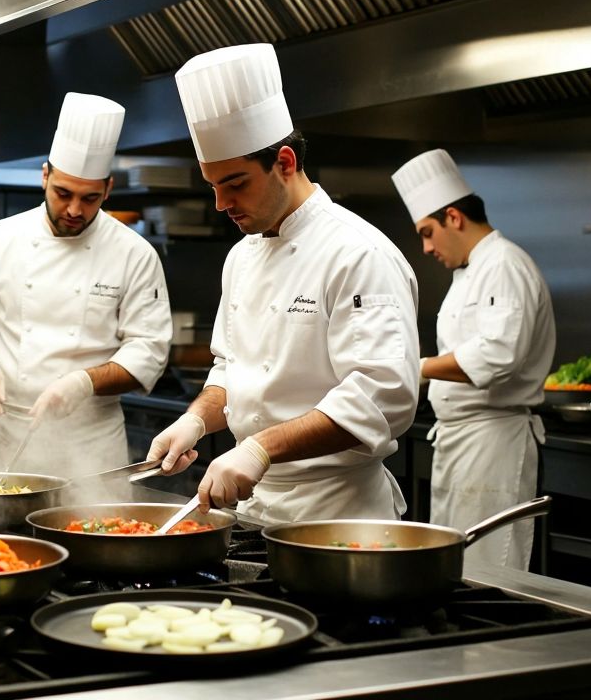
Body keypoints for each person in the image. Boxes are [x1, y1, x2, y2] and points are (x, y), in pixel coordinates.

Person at [148, 43, 421, 523]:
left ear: (286, 162)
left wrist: (259, 449)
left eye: (235, 184)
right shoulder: (240, 256)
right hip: (253, 510)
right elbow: (231, 370)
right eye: (212, 185)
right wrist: (195, 420)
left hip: (336, 515)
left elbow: (383, 397)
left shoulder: (359, 252)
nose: (220, 203)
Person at [0, 92, 171, 475]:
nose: (75, 210)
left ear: (108, 189)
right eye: (63, 193)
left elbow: (149, 351)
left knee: (93, 532)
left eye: (90, 198)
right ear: (44, 176)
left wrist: (83, 382)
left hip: (90, 443)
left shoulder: (134, 253)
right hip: (11, 432)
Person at [391, 148, 556, 570]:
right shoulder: (471, 271)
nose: (426, 247)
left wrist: (418, 367)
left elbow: (498, 354)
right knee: (458, 563)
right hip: (461, 440)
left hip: (493, 442)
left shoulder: (503, 263)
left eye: (427, 232)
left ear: (454, 217)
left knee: (489, 567)